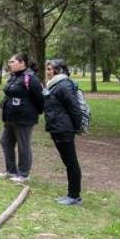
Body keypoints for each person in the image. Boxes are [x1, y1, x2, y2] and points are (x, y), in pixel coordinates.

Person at [0, 52, 44, 183]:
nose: (10, 64)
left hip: (24, 119)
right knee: (5, 141)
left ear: (22, 63)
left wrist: (32, 112)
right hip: (10, 117)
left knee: (23, 145)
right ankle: (11, 170)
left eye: (13, 62)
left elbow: (40, 100)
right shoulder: (13, 77)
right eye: (10, 62)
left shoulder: (31, 78)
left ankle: (23, 174)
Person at [44, 59, 83, 205]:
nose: (47, 72)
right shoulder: (54, 85)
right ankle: (72, 195)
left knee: (71, 163)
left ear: (58, 70)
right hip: (57, 128)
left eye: (49, 69)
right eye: (47, 69)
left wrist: (77, 127)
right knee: (68, 162)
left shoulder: (63, 86)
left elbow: (74, 108)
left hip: (63, 129)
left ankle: (74, 196)